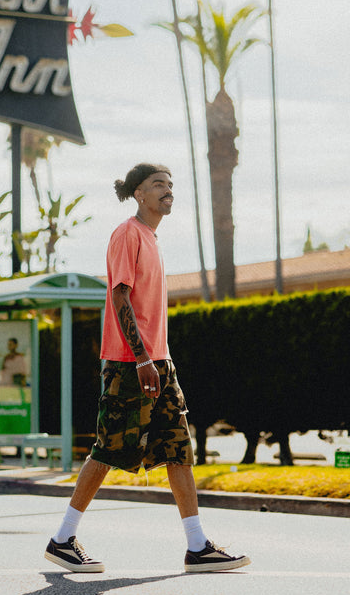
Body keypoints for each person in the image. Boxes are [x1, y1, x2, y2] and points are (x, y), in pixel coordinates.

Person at [45, 163, 250, 574]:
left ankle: (197, 546)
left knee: (178, 448)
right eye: (158, 184)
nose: (167, 190)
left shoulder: (152, 239)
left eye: (170, 185)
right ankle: (63, 539)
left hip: (159, 362)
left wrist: (160, 359)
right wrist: (141, 358)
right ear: (139, 193)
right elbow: (120, 297)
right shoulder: (127, 234)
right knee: (107, 450)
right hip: (128, 363)